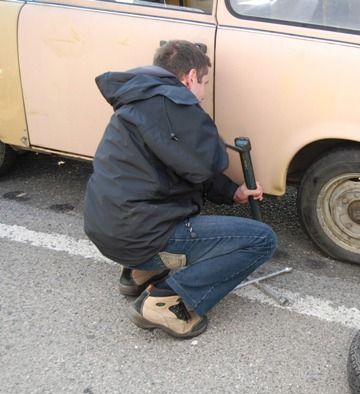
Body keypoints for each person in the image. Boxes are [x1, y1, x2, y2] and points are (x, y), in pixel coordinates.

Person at [83, 40, 277, 339]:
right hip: (141, 234)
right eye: (204, 83)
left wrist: (231, 192)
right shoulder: (176, 103)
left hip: (107, 229)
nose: (203, 92)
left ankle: (139, 272)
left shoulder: (138, 99)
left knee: (158, 222)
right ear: (189, 77)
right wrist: (197, 117)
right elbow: (211, 160)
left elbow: (184, 164)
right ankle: (166, 301)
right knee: (261, 240)